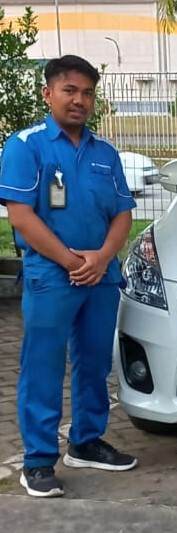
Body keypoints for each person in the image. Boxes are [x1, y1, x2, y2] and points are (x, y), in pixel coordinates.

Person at [0, 55, 138, 498]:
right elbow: (21, 216)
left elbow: (122, 214)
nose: (80, 100)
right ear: (48, 93)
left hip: (101, 275)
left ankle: (86, 442)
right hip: (51, 275)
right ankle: (38, 461)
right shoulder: (26, 146)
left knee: (95, 362)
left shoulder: (105, 153)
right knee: (43, 364)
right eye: (70, 90)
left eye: (88, 93)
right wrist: (70, 261)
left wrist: (102, 258)